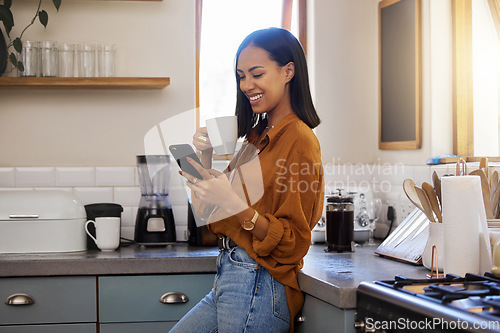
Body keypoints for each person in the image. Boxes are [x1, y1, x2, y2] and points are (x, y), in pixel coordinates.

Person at [170, 27, 324, 333]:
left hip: (258, 282)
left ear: (288, 71)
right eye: (241, 76)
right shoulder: (257, 136)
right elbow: (211, 216)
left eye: (256, 73)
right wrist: (205, 159)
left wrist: (233, 203)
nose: (246, 85)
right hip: (230, 276)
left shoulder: (299, 139)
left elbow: (294, 242)